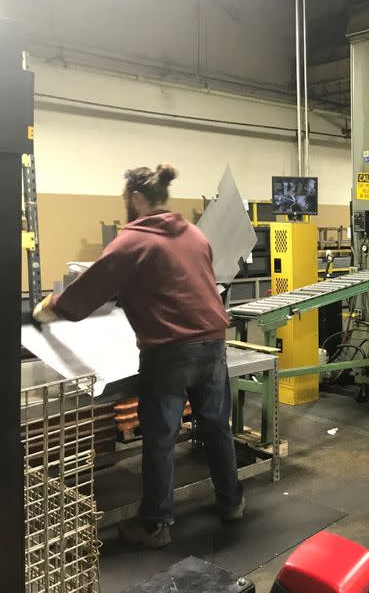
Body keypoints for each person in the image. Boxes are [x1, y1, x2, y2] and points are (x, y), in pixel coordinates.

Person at [33, 164, 244, 549]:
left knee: (161, 439)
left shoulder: (132, 241)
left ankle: (156, 524)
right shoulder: (195, 235)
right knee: (216, 427)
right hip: (213, 343)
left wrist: (53, 307)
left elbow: (91, 288)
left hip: (169, 351)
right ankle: (232, 503)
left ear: (135, 198)